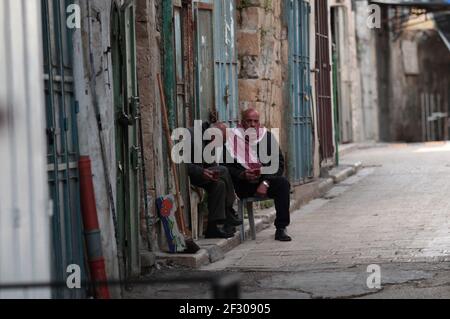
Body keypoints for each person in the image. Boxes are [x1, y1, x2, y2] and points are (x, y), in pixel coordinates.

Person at [224, 108, 292, 241]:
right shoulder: (232, 139)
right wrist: (242, 174)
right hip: (243, 185)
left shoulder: (267, 137)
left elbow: (278, 163)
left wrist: (266, 182)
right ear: (242, 122)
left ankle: (281, 228)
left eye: (255, 121)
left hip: (265, 182)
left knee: (283, 184)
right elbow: (225, 166)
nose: (253, 124)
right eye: (249, 121)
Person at [186, 120, 242, 239]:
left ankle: (213, 228)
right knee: (224, 170)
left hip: (203, 177)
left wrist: (210, 172)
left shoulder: (208, 140)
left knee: (220, 184)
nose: (219, 145)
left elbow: (210, 163)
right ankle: (229, 211)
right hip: (189, 177)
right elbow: (181, 164)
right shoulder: (191, 136)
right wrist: (201, 171)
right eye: (220, 141)